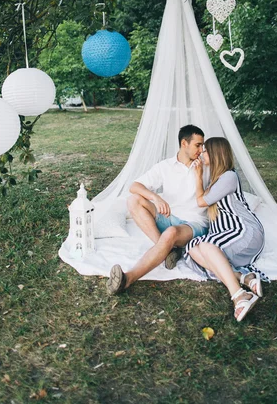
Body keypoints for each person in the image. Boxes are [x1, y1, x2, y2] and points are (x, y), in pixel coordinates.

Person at [107, 124, 209, 295]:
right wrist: (156, 197)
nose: (201, 150)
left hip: (193, 224)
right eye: (197, 145)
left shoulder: (205, 166)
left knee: (170, 233)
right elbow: (134, 186)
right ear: (184, 143)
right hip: (169, 217)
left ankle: (127, 278)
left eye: (202, 145)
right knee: (134, 200)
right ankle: (166, 249)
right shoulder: (165, 166)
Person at [184, 136, 265, 322]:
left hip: (243, 231)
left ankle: (239, 296)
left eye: (205, 151)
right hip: (226, 233)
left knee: (205, 246)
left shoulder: (229, 176)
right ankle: (242, 277)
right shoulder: (216, 180)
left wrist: (197, 176)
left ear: (215, 153)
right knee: (192, 247)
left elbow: (201, 202)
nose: (201, 154)